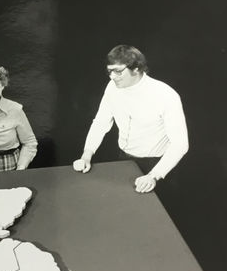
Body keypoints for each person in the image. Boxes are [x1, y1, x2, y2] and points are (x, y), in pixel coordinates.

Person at [72, 45, 189, 193]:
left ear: (136, 69)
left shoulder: (166, 96)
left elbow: (180, 144)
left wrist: (154, 175)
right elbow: (101, 122)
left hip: (156, 165)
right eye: (110, 71)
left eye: (118, 71)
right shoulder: (112, 87)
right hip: (124, 160)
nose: (112, 76)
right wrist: (86, 155)